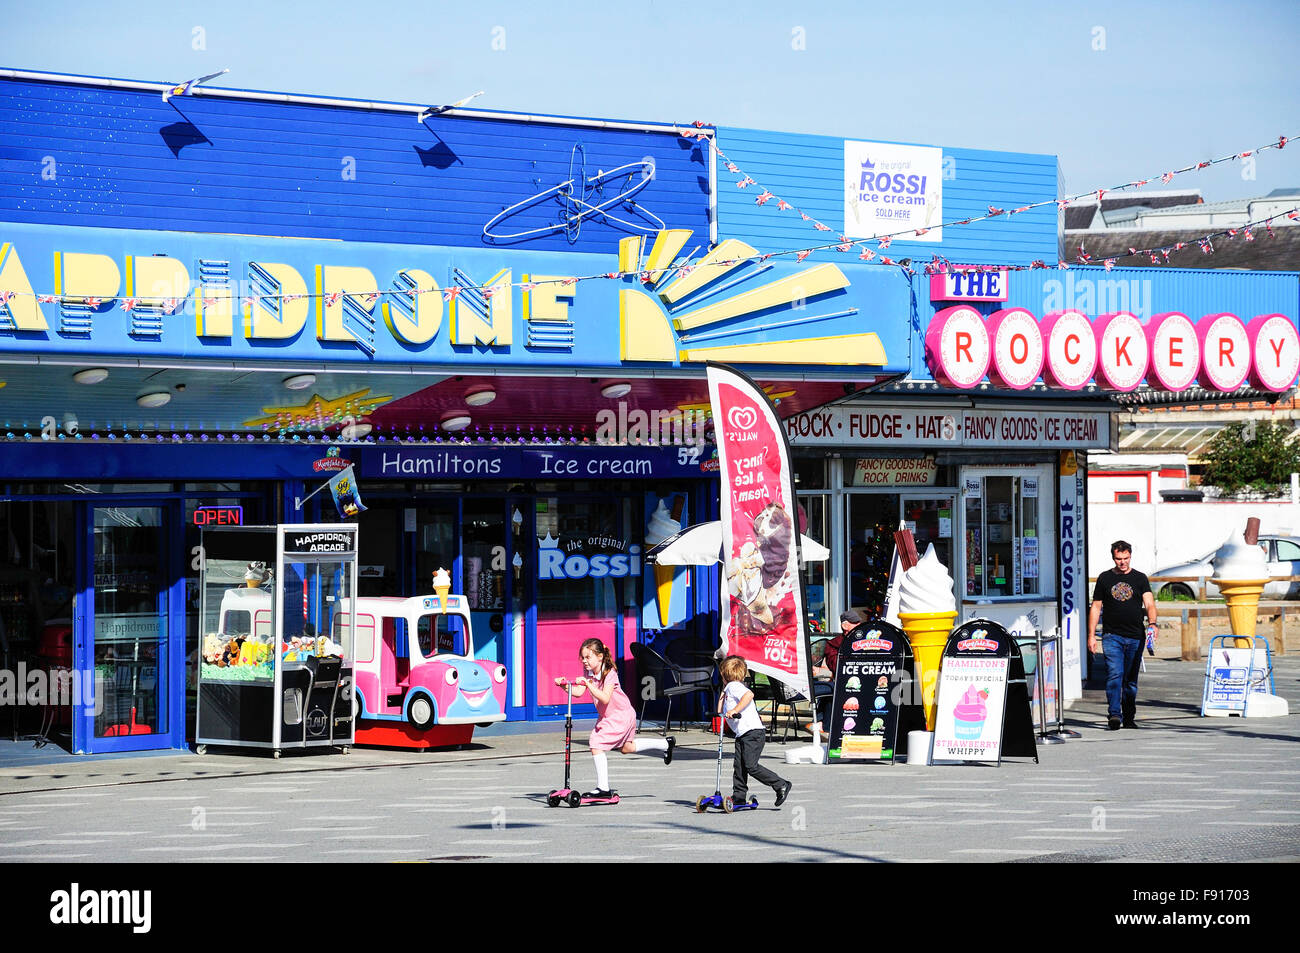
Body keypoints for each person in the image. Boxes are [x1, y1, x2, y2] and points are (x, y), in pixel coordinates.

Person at [572, 638, 674, 799]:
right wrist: (565, 686)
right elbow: (578, 692)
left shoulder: (609, 673)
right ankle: (665, 744)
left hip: (620, 716)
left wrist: (587, 684)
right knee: (627, 748)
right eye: (582, 657)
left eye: (588, 657)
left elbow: (605, 698)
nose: (584, 661)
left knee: (595, 742)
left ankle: (603, 788)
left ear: (599, 656)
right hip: (610, 716)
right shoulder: (590, 673)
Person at [1088, 540, 1157, 731]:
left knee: (1130, 679)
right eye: (1119, 559)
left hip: (1136, 636)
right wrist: (1091, 635)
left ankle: (1129, 716)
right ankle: (1115, 714)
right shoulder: (1104, 578)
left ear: (1130, 556)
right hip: (1112, 636)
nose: (1122, 562)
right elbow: (1096, 607)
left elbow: (1150, 604)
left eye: (1125, 558)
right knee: (1114, 674)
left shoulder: (1140, 578)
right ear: (1113, 558)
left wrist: (1152, 623)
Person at [719, 655, 792, 808]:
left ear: (725, 674)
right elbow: (719, 711)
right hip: (744, 734)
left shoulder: (735, 686)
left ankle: (781, 784)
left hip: (753, 733)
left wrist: (734, 710)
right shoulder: (728, 689)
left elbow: (749, 695)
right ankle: (739, 796)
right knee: (739, 766)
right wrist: (722, 696)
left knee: (751, 766)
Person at [812, 609, 863, 726]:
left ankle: (821, 722)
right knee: (832, 688)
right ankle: (824, 724)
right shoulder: (834, 644)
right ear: (844, 625)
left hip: (862, 680)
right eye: (854, 623)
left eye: (858, 623)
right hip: (845, 681)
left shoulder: (864, 641)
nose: (858, 626)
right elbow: (836, 667)